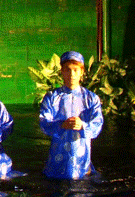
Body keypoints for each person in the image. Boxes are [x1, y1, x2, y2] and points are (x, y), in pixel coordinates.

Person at [39, 51, 104, 179]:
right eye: (67, 70)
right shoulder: (52, 97)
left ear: (82, 72)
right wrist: (61, 125)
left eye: (75, 70)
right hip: (57, 160)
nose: (72, 74)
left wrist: (83, 125)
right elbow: (44, 123)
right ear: (62, 72)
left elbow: (97, 124)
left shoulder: (91, 98)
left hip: (82, 159)